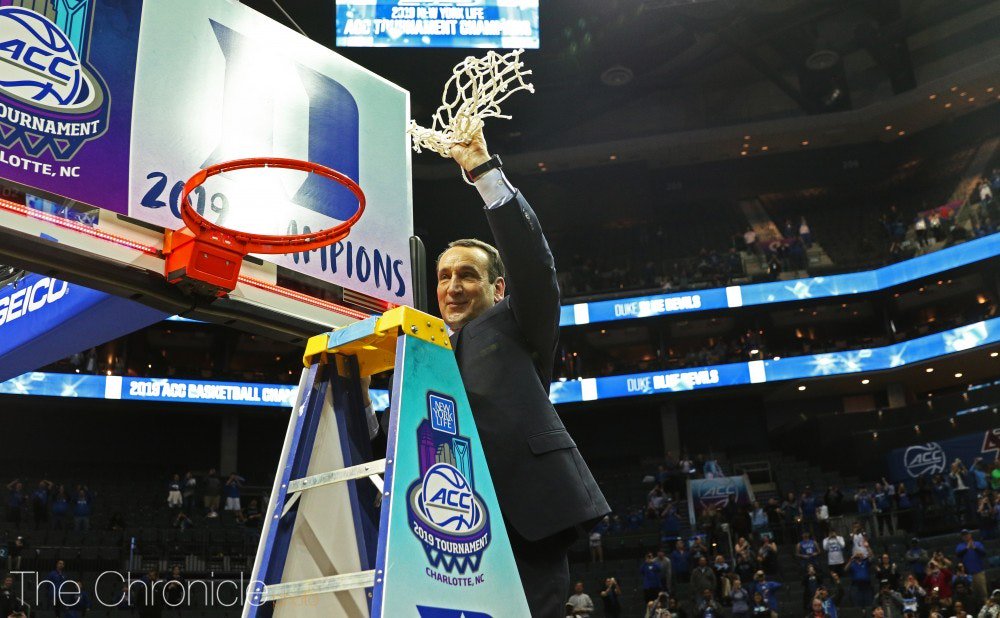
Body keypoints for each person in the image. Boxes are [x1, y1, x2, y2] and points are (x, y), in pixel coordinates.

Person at [420, 128, 609, 617]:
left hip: (527, 514)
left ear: (498, 288)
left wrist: (483, 173)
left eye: (467, 275)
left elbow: (532, 264)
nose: (454, 286)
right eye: (444, 277)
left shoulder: (515, 321)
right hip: (448, 523)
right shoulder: (422, 349)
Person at [956, 529, 988, 602]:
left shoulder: (977, 544)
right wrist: (967, 548)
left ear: (970, 535)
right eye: (964, 535)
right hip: (968, 574)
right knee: (972, 595)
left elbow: (983, 553)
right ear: (962, 537)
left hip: (979, 572)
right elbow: (958, 554)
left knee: (983, 593)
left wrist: (975, 548)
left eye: (967, 535)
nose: (966, 536)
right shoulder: (960, 546)